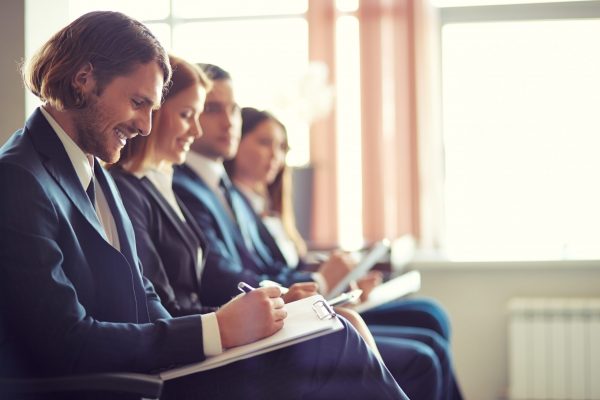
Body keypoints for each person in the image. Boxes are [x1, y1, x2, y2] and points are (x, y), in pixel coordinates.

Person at [0, 12, 408, 400]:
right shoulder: (18, 178)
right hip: (122, 386)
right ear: (84, 80)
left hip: (154, 367)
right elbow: (64, 342)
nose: (145, 126)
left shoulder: (92, 165)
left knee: (331, 330)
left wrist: (245, 318)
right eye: (138, 103)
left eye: (152, 109)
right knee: (336, 345)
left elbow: (144, 298)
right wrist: (215, 330)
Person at [172, 64, 457, 400]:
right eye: (212, 109)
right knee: (417, 351)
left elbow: (264, 266)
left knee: (424, 323)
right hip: (243, 328)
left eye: (233, 109)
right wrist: (318, 283)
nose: (228, 121)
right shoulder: (188, 187)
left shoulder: (227, 190)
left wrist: (325, 281)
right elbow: (221, 276)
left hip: (273, 310)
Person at [109, 54, 383, 358]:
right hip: (187, 348)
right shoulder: (142, 189)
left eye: (233, 110)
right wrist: (266, 306)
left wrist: (279, 301)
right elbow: (184, 296)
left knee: (353, 325)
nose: (198, 130)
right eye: (191, 114)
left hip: (206, 328)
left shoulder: (171, 186)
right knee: (354, 335)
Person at [225, 106, 464, 400]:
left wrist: (344, 282)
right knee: (425, 351)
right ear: (237, 142)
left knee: (431, 315)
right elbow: (267, 275)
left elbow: (291, 267)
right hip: (297, 314)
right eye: (264, 142)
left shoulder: (272, 211)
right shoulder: (235, 207)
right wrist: (323, 281)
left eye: (282, 147)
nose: (276, 156)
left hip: (317, 300)